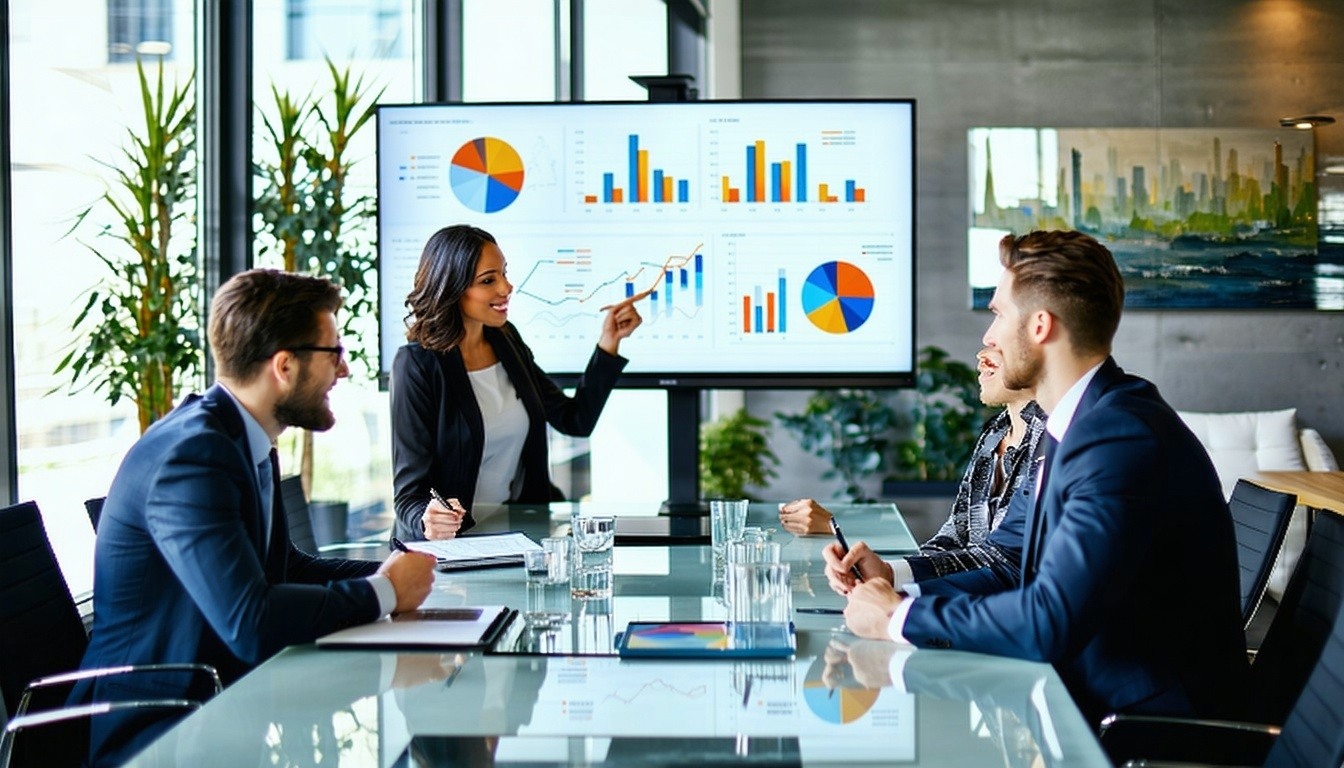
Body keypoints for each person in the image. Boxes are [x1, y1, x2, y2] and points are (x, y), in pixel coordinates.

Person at [824, 230, 1249, 725]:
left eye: (998, 314)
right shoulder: (1077, 422)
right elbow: (1010, 566)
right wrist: (894, 580)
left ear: (1040, 326)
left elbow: (1050, 621)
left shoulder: (1119, 438)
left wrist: (897, 618)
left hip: (1147, 727)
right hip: (1082, 696)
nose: (989, 336)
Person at [72, 269, 437, 765]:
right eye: (334, 353)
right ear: (284, 366)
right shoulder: (193, 457)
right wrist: (386, 591)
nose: (345, 369)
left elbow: (287, 568)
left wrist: (411, 571)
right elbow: (250, 621)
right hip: (158, 731)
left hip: (227, 703)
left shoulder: (245, 438)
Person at [391, 224, 643, 541]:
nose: (506, 287)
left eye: (504, 273)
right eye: (488, 280)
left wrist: (609, 342)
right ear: (452, 288)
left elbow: (574, 419)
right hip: (450, 547)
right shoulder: (415, 365)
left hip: (514, 533)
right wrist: (428, 520)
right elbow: (409, 496)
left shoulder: (505, 339)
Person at [780, 346, 1046, 586]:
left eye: (999, 343)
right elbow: (954, 536)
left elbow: (1005, 563)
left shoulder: (1050, 445)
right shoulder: (996, 432)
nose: (981, 355)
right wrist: (892, 577)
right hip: (960, 604)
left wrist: (894, 574)